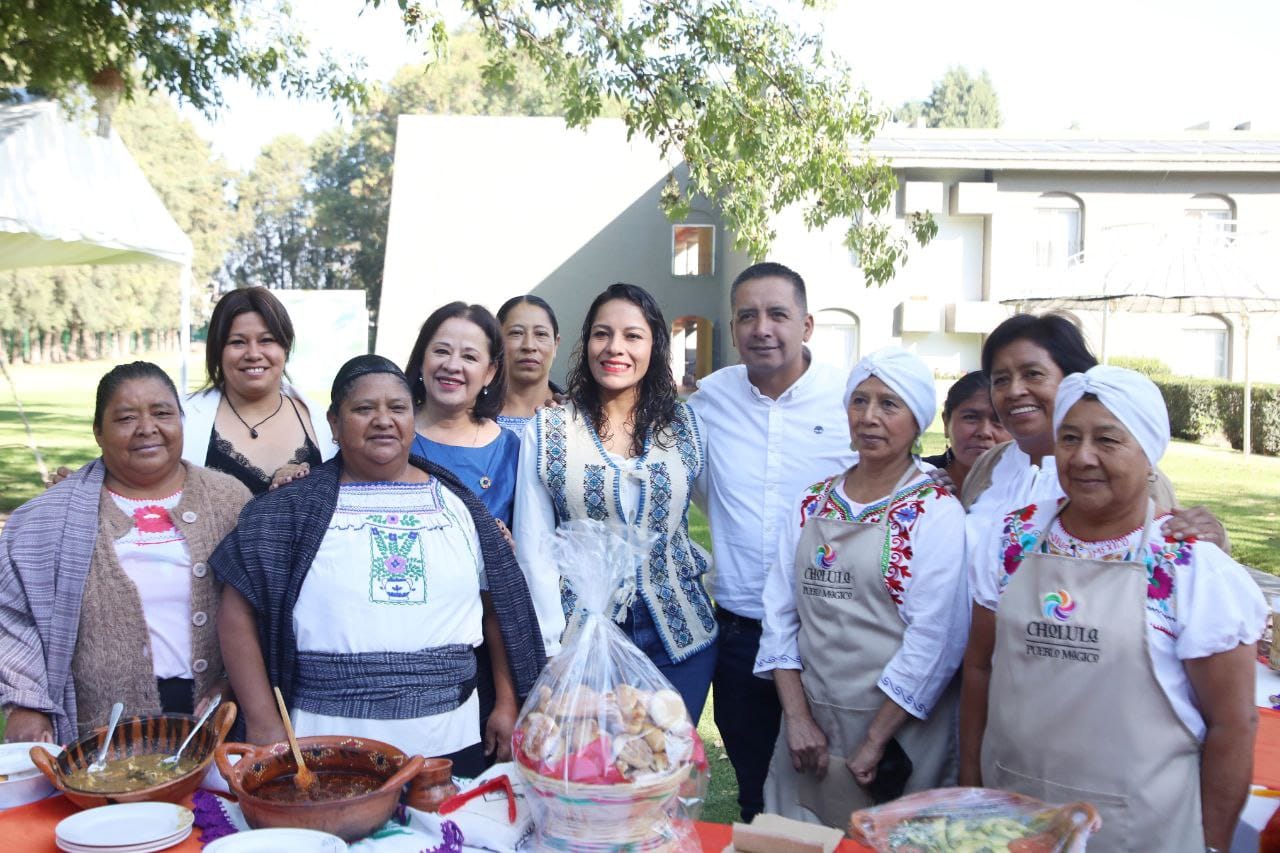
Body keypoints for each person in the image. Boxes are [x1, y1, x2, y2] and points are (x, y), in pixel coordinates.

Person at [959, 365, 1264, 852]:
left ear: (1149, 454)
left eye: (1107, 440)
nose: (1083, 457)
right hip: (1010, 817)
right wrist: (970, 786)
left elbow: (1233, 725)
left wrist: (1211, 844)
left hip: (1139, 829)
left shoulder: (1190, 568)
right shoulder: (1009, 539)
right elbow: (979, 667)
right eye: (1069, 438)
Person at [212, 356, 545, 776]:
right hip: (320, 742)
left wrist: (507, 702)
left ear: (412, 420)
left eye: (398, 408)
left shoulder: (459, 507)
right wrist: (263, 720)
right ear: (334, 423)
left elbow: (498, 609)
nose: (383, 420)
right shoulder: (289, 510)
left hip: (450, 738)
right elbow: (236, 609)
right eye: (364, 408)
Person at [756, 347, 969, 828]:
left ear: (917, 421)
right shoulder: (812, 502)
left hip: (901, 735)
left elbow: (936, 639)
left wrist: (875, 740)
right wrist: (798, 718)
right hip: (812, 731)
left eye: (889, 404)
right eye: (860, 401)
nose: (869, 417)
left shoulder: (935, 512)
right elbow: (780, 613)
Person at [1, 362, 250, 744]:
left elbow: (263, 606)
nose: (147, 428)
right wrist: (26, 703)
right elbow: (12, 618)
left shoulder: (230, 500)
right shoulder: (47, 518)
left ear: (182, 421)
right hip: (99, 730)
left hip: (216, 722)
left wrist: (234, 680)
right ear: (98, 432)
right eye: (126, 418)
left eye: (162, 413)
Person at [687, 262, 855, 822]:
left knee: (842, 793)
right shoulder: (707, 404)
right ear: (733, 327)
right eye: (747, 316)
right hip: (742, 635)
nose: (762, 328)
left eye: (777, 314)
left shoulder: (848, 402)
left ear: (806, 325)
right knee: (759, 798)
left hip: (830, 631)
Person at [514, 283, 717, 720]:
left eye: (632, 336)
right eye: (602, 334)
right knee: (592, 756)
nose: (615, 348)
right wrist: (551, 649)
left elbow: (721, 513)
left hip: (679, 636)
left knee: (667, 753)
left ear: (654, 346)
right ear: (586, 342)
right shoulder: (549, 429)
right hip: (579, 639)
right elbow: (534, 548)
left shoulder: (686, 425)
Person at [961, 313, 1227, 574]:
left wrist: (1214, 538)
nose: (1014, 391)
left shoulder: (1135, 478)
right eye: (1001, 380)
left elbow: (1181, 562)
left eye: (1033, 374)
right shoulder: (990, 464)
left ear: (1074, 380)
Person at [183, 287, 334, 494]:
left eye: (266, 340)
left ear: (285, 347)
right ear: (218, 351)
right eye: (238, 342)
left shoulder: (326, 424)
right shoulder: (181, 419)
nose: (253, 354)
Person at [405, 302, 520, 528]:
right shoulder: (391, 434)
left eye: (469, 357)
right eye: (441, 351)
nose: (452, 366)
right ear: (421, 360)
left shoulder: (510, 449)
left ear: (490, 372)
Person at [920, 370, 1010, 494]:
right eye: (970, 417)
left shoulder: (1030, 488)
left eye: (999, 419)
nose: (984, 432)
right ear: (946, 423)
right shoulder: (915, 477)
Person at [496, 295, 563, 436]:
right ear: (497, 342)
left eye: (541, 334)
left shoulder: (574, 416)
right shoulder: (470, 413)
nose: (529, 346)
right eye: (516, 333)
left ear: (556, 345)